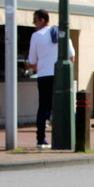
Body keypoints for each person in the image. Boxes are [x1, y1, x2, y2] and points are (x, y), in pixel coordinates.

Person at [28, 9, 75, 149]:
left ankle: (41, 139)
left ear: (42, 20)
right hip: (60, 76)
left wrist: (40, 67)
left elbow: (31, 60)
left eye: (35, 20)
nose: (34, 23)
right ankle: (63, 139)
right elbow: (72, 55)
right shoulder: (62, 33)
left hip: (43, 76)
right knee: (61, 107)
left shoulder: (36, 36)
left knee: (43, 107)